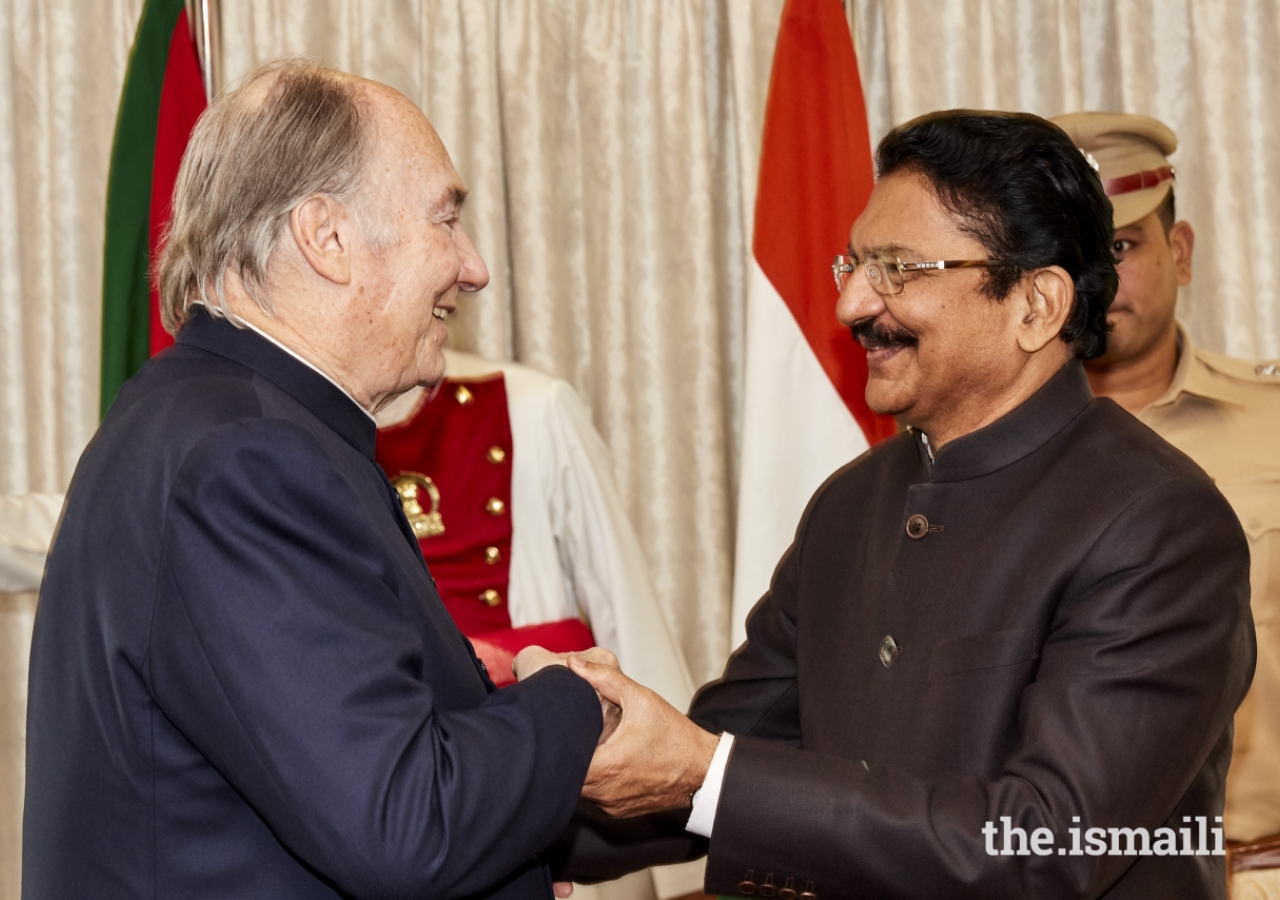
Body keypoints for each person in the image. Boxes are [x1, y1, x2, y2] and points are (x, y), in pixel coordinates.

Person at [533, 110, 1256, 899]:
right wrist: (485, 835)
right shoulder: (850, 506)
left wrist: (707, 773)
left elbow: (1046, 846)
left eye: (899, 269)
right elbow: (713, 760)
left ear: (1036, 305)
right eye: (855, 263)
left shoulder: (1159, 523)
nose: (849, 304)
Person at [23, 59, 609, 900]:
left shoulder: (216, 417)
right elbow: (404, 828)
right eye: (446, 219)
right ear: (327, 237)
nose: (473, 267)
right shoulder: (248, 457)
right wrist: (573, 700)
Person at [376, 352, 705, 899]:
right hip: (406, 799)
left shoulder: (535, 408)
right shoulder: (305, 434)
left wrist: (683, 831)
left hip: (565, 791)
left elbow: (624, 604)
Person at [1053, 110, 1280, 898]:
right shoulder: (978, 454)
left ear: (1178, 254)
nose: (1101, 280)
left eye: (1119, 248)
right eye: (1073, 256)